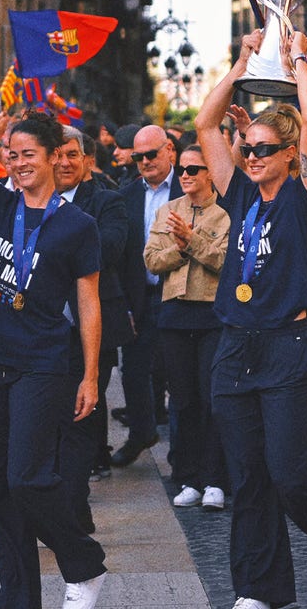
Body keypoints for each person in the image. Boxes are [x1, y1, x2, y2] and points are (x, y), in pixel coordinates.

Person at [194, 28, 307, 609]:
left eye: (264, 149)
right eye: (249, 149)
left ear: (288, 155)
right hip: (236, 346)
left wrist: (295, 62)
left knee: (291, 474)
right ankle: (261, 591)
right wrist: (240, 61)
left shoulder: (302, 193)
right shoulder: (238, 193)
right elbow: (204, 126)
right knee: (248, 481)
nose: (252, 157)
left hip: (289, 344)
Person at [0, 110, 108, 609]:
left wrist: (90, 374)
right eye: (11, 155)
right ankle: (17, 596)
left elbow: (88, 303)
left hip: (42, 363)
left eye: (28, 155)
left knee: (27, 478)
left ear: (52, 158)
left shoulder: (78, 225)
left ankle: (82, 563)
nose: (18, 164)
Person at [54, 125, 132, 532]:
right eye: (58, 154)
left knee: (80, 423)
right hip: (41, 333)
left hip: (90, 330)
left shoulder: (107, 202)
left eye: (73, 154)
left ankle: (73, 514)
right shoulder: (29, 203)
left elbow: (108, 249)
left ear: (87, 161)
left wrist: (53, 249)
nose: (65, 162)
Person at [144, 145, 230, 511]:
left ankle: (215, 479)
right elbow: (151, 259)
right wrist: (181, 249)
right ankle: (189, 477)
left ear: (211, 173)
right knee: (183, 400)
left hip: (211, 314)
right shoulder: (168, 210)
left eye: (195, 169)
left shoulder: (226, 213)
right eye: (183, 169)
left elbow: (226, 261)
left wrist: (190, 241)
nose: (186, 175)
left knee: (212, 399)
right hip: (174, 315)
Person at [112, 125, 181, 467]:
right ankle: (141, 432)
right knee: (134, 370)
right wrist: (123, 303)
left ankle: (186, 450)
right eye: (138, 157)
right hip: (140, 297)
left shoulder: (191, 186)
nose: (144, 162)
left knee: (179, 372)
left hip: (180, 294)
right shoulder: (124, 196)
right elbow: (120, 256)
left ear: (170, 149)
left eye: (151, 155)